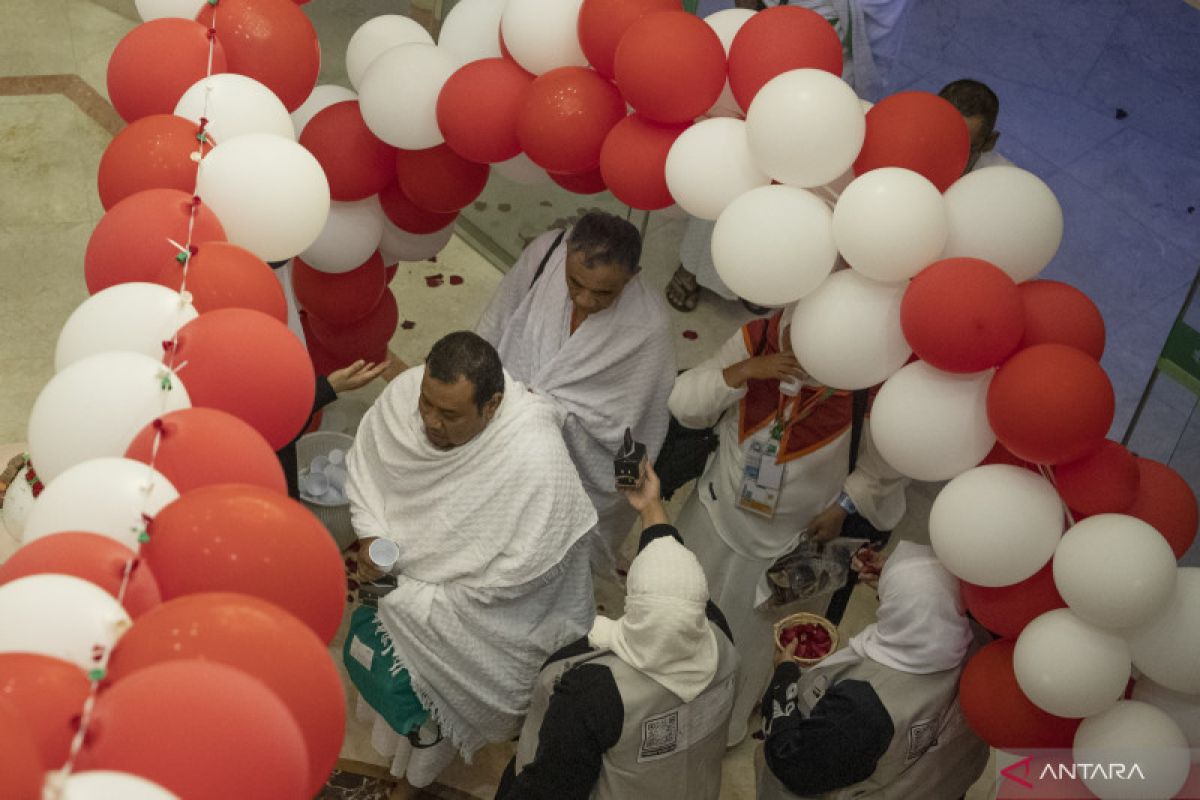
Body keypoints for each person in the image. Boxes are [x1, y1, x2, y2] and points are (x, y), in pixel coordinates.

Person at [345, 331, 598, 786]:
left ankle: (412, 784)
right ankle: (390, 762)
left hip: (468, 620)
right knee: (391, 704)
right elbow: (370, 472)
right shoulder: (407, 395)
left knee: (429, 728)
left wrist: (409, 594)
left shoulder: (536, 460)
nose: (430, 423)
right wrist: (372, 540)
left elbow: (517, 579)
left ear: (492, 405)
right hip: (400, 586)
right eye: (427, 404)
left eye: (449, 414)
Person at [668, 308, 907, 746]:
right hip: (713, 516)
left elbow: (886, 465)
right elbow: (684, 403)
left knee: (751, 645)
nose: (800, 352)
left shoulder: (867, 383)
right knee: (679, 606)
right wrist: (743, 371)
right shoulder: (759, 339)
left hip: (786, 551)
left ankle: (719, 725)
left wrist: (845, 504)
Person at [496, 462, 739, 800]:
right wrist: (650, 505)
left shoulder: (595, 693)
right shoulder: (720, 636)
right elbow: (672, 585)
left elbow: (550, 788)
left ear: (635, 607)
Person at [668, 0, 914, 314]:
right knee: (731, 166)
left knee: (800, 180)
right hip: (770, 54)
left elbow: (883, 28)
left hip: (832, 75)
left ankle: (759, 271)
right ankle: (693, 264)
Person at [477, 210, 675, 576]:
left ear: (632, 278)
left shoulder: (650, 326)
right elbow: (496, 322)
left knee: (549, 562)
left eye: (604, 293)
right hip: (502, 430)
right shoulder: (545, 252)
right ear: (565, 251)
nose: (584, 300)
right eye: (574, 283)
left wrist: (628, 490)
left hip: (577, 466)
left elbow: (645, 420)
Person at [757, 542, 989, 799]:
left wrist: (784, 676)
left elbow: (792, 763)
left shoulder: (862, 707)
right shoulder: (981, 648)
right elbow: (931, 602)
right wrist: (898, 582)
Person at [938, 78, 1010, 172]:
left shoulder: (1001, 181)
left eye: (964, 149)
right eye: (940, 140)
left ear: (989, 143)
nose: (947, 157)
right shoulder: (913, 152)